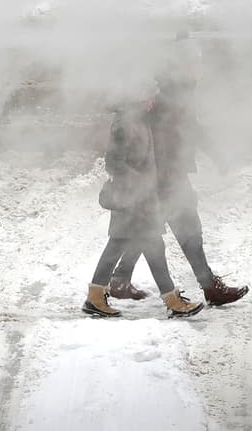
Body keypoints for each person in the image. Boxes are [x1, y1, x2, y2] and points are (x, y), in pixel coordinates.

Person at [108, 40, 249, 307]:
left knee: (151, 227)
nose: (199, 66)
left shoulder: (181, 85)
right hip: (164, 171)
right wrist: (147, 168)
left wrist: (216, 153)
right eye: (195, 61)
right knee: (184, 227)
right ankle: (208, 287)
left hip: (168, 168)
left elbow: (190, 126)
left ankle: (120, 279)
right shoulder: (166, 89)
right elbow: (151, 125)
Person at [84, 89, 204, 319]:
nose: (152, 101)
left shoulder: (139, 121)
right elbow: (113, 162)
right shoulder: (124, 125)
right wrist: (139, 183)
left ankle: (96, 296)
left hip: (139, 197)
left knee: (125, 245)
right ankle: (172, 300)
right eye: (148, 96)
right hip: (132, 198)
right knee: (149, 246)